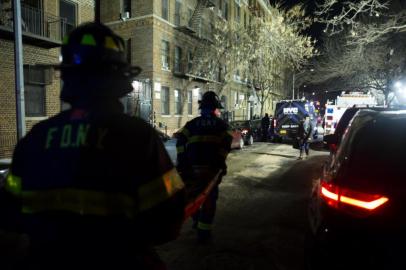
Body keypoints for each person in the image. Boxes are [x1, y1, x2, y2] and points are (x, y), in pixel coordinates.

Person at [0, 22, 185, 270]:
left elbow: (9, 215)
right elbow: (168, 222)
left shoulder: (35, 138)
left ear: (67, 77)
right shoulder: (138, 137)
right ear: (119, 80)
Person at [176, 91, 233, 243]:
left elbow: (180, 140)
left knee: (193, 197)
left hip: (192, 169)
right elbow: (226, 144)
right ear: (215, 109)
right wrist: (220, 161)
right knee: (209, 199)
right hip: (211, 170)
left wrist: (183, 161)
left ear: (202, 107)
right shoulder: (222, 125)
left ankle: (197, 220)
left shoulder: (192, 124)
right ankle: (203, 232)